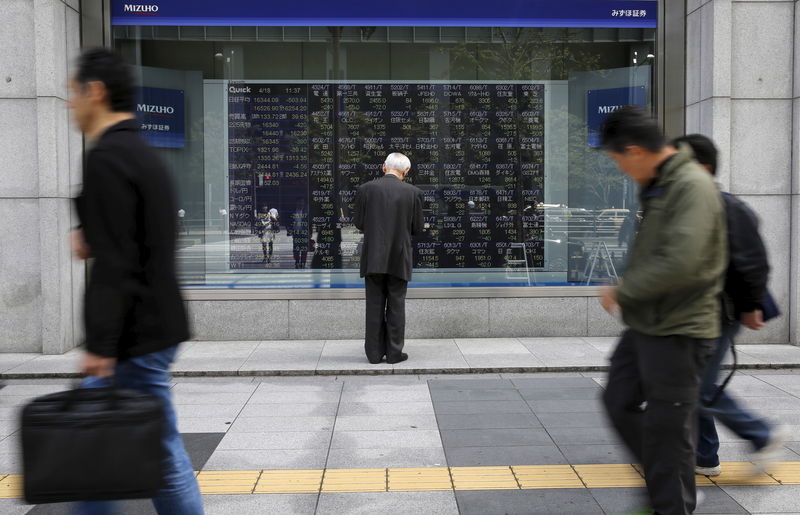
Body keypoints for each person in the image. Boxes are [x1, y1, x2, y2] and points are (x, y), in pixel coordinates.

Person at [68, 48, 203, 515]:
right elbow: (142, 239)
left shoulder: (107, 157)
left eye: (73, 93)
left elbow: (118, 263)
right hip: (153, 324)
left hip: (134, 333)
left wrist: (101, 346)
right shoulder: (143, 153)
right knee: (105, 449)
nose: (70, 104)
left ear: (96, 92)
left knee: (158, 455)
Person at [598, 106, 726, 515]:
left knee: (667, 432)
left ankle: (670, 495)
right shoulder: (659, 185)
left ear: (634, 151)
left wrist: (626, 290)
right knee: (619, 400)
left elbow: (682, 262)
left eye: (618, 161)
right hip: (647, 326)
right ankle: (666, 481)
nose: (620, 170)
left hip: (680, 330)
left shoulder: (691, 185)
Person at [672, 134, 788, 477]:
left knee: (699, 387)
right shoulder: (692, 205)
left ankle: (762, 434)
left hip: (720, 312)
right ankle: (705, 456)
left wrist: (752, 305)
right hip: (696, 311)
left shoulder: (725, 205)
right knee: (693, 383)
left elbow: (753, 260)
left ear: (703, 168)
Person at [354, 152, 423, 364]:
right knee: (396, 305)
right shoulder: (414, 193)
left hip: (373, 257)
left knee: (374, 305)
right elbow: (417, 228)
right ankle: (394, 353)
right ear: (406, 171)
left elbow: (359, 223)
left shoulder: (365, 189)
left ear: (384, 167)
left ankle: (373, 354)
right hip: (399, 257)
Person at [289, 196, 310, 269]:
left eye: (302, 202)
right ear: (296, 203)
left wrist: (310, 233)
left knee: (304, 249)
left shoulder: (306, 212)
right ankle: (297, 262)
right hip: (296, 233)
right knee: (296, 249)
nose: (301, 203)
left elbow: (309, 223)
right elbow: (289, 222)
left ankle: (303, 263)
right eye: (299, 202)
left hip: (304, 233)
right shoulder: (293, 211)